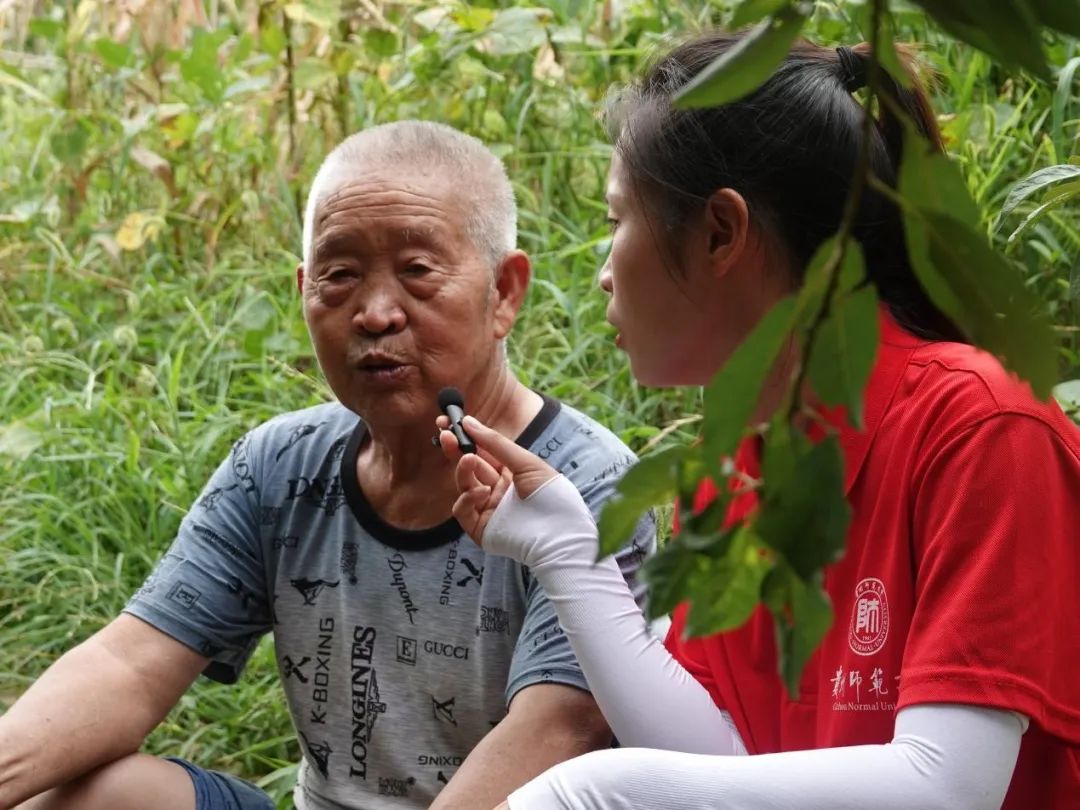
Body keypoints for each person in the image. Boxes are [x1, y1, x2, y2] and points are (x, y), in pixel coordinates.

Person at [436, 34, 1080, 810]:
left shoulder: (983, 427)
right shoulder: (733, 472)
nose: (603, 272)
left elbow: (950, 787)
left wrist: (597, 790)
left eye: (616, 220)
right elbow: (723, 760)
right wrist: (568, 552)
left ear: (721, 232)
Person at [0, 121, 655, 810]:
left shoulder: (590, 486)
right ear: (303, 289)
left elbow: (559, 727)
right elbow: (129, 664)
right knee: (104, 795)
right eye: (340, 276)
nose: (375, 314)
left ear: (505, 292)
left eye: (417, 271)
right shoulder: (280, 465)